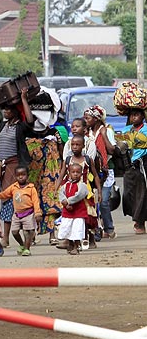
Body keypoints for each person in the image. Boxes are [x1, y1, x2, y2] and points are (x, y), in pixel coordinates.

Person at [0, 88, 35, 248]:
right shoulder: (3, 125)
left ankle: (9, 237)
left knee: (13, 199)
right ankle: (7, 237)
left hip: (16, 167)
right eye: (4, 109)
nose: (5, 112)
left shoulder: (20, 127)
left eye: (8, 109)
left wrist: (23, 99)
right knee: (7, 200)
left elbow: (30, 121)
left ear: (15, 111)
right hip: (4, 168)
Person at [55, 135, 102, 249]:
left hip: (85, 192)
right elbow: (61, 175)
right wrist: (56, 189)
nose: (75, 147)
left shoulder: (87, 159)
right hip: (71, 191)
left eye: (77, 145)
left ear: (83, 146)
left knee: (88, 215)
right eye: (73, 145)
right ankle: (70, 240)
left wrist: (99, 191)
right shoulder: (68, 160)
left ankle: (89, 239)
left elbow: (95, 175)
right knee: (71, 214)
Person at [83, 105, 117, 239]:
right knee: (93, 202)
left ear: (96, 119)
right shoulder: (87, 133)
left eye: (88, 118)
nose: (86, 120)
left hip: (105, 171)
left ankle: (109, 228)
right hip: (91, 171)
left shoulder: (106, 130)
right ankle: (96, 230)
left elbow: (112, 150)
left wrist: (103, 135)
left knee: (103, 202)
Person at [0, 166, 42, 257]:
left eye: (23, 175)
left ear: (27, 176)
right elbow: (4, 194)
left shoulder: (31, 188)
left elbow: (36, 201)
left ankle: (27, 248)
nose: (21, 177)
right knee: (14, 231)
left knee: (28, 232)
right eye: (18, 175)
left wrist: (37, 213)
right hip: (17, 214)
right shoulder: (14, 187)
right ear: (15, 176)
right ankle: (22, 244)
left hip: (28, 213)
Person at [121, 108, 147, 234]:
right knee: (128, 194)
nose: (134, 117)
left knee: (141, 194)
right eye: (132, 115)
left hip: (142, 164)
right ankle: (136, 217)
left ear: (143, 116)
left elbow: (139, 142)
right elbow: (120, 143)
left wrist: (129, 141)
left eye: (137, 115)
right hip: (128, 166)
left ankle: (140, 221)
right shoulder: (126, 129)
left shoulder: (146, 129)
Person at [57, 163, 89, 255]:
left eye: (78, 172)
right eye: (73, 172)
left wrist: (69, 201)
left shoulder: (82, 185)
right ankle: (69, 244)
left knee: (77, 229)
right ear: (69, 173)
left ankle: (76, 246)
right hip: (68, 213)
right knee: (67, 228)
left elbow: (80, 195)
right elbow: (61, 193)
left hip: (78, 212)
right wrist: (64, 202)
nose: (75, 174)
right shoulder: (66, 185)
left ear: (81, 174)